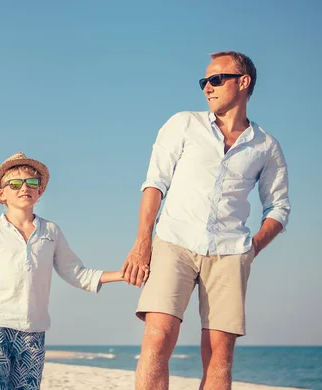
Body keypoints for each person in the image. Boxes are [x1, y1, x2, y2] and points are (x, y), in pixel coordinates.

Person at [121, 51, 291, 390]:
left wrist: (250, 249)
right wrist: (142, 243)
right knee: (157, 340)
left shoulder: (266, 146)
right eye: (204, 82)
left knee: (219, 356)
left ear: (243, 82)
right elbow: (155, 183)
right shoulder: (183, 123)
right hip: (173, 242)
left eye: (216, 79)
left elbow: (279, 208)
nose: (207, 88)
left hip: (230, 252)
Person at [0, 152, 146, 390]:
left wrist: (122, 274)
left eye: (32, 182)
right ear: (1, 193)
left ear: (40, 191)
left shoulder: (51, 231)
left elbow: (75, 272)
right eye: (15, 184)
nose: (24, 188)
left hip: (34, 330)